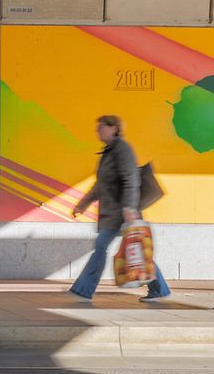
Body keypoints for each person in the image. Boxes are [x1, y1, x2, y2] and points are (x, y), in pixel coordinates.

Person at [68, 114, 171, 302]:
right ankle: (160, 289)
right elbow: (100, 185)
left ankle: (84, 290)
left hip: (122, 213)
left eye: (101, 127)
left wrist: (129, 208)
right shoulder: (108, 152)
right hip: (113, 213)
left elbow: (131, 179)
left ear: (114, 128)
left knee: (103, 247)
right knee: (135, 249)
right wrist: (83, 204)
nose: (98, 131)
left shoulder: (122, 150)